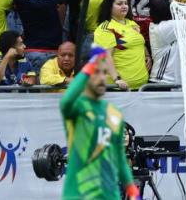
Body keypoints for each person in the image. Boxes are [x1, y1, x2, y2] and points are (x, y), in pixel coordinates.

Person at [58, 46, 139, 200]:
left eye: (104, 72)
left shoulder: (114, 113)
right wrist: (91, 64)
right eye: (96, 72)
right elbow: (65, 101)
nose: (102, 78)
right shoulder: (78, 108)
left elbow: (120, 159)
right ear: (85, 75)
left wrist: (132, 190)